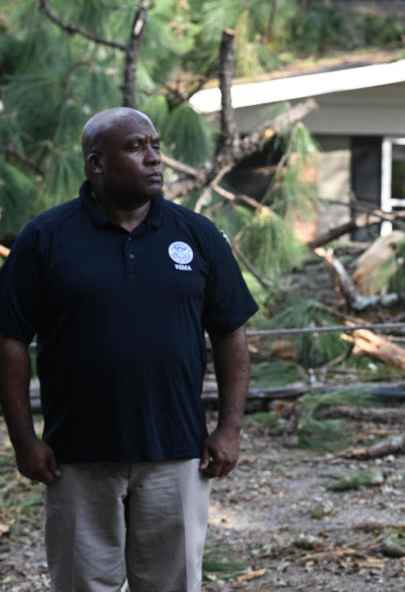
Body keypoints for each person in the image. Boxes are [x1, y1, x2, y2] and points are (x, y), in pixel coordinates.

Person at [0, 107, 258, 592]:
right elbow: (9, 339)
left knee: (172, 584)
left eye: (156, 146)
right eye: (136, 147)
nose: (154, 158)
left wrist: (229, 427)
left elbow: (231, 334)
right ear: (96, 163)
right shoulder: (45, 238)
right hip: (75, 454)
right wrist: (23, 439)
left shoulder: (196, 235)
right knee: (83, 584)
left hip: (177, 453)